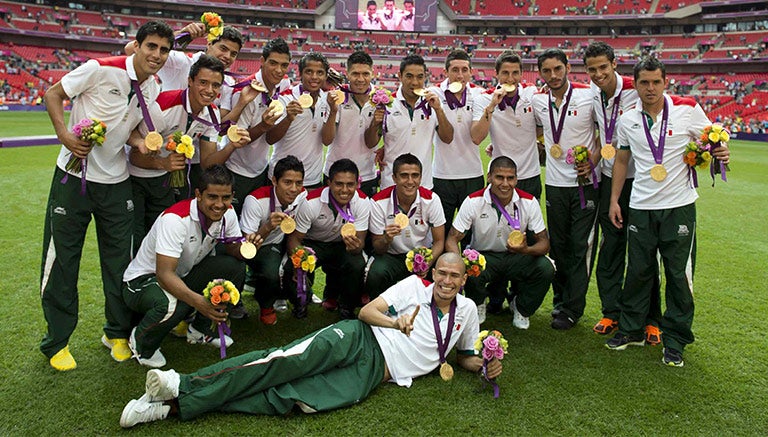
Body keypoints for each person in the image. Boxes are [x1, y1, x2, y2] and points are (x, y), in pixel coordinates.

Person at [119, 253, 502, 428]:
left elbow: (465, 355)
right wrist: (395, 322)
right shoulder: (412, 286)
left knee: (289, 400)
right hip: (360, 338)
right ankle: (181, 383)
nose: (447, 282)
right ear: (433, 273)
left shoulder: (467, 311)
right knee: (281, 362)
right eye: (442, 274)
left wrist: (484, 364)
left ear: (464, 279)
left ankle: (169, 408)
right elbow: (367, 312)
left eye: (455, 276)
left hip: (376, 374)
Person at [40, 21, 174, 371]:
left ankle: (116, 333)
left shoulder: (152, 87)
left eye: (163, 50)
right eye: (152, 47)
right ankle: (57, 341)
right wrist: (65, 136)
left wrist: (139, 142)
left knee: (120, 263)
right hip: (73, 176)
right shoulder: (101, 68)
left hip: (116, 181)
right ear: (138, 45)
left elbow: (126, 129)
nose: (157, 55)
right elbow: (53, 94)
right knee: (63, 259)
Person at [605, 57, 730, 367]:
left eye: (656, 82)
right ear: (635, 84)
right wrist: (614, 200)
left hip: (679, 206)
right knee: (638, 271)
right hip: (642, 205)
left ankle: (675, 339)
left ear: (665, 82)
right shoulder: (628, 120)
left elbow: (713, 140)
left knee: (678, 274)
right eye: (644, 82)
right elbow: (622, 161)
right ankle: (632, 329)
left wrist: (721, 152)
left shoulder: (687, 109)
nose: (650, 88)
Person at [121, 165, 260, 368]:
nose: (219, 204)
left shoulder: (228, 213)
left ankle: (201, 330)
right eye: (212, 197)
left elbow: (232, 250)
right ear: (198, 194)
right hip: (143, 281)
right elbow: (164, 274)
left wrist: (249, 246)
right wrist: (199, 302)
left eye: (226, 198)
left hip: (182, 273)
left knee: (235, 268)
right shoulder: (175, 220)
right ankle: (141, 342)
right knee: (172, 304)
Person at [128, 55, 249, 252]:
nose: (209, 90)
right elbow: (135, 155)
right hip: (137, 180)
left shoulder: (212, 113)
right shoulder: (163, 106)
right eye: (203, 82)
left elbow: (207, 164)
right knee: (135, 240)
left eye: (215, 85)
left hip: (164, 183)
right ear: (190, 81)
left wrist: (231, 146)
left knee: (159, 241)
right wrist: (163, 164)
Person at [584, 42, 662, 344]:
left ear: (614, 64)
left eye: (603, 67)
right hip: (608, 180)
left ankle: (651, 319)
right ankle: (611, 311)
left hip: (641, 182)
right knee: (611, 248)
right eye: (592, 69)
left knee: (644, 252)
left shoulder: (636, 88)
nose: (599, 73)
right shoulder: (591, 92)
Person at [531, 48, 600, 331]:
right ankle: (560, 303)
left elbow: (605, 133)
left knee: (579, 246)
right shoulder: (537, 101)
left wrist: (593, 161)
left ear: (568, 67)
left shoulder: (588, 96)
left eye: (558, 69)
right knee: (558, 246)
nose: (553, 75)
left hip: (585, 185)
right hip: (555, 185)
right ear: (540, 73)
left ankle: (573, 307)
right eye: (547, 71)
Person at [446, 157, 554, 327]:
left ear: (516, 179)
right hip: (484, 257)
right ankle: (478, 303)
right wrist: (458, 262)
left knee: (545, 268)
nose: (505, 183)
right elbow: (453, 238)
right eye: (499, 177)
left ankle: (521, 308)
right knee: (469, 263)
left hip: (517, 257)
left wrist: (525, 249)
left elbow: (544, 243)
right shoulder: (473, 201)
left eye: (510, 178)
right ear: (489, 177)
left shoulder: (528, 202)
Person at [285, 159, 370, 320]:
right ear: (329, 183)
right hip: (313, 244)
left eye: (350, 184)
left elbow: (360, 243)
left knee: (357, 263)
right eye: (339, 184)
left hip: (342, 245)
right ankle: (300, 302)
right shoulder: (311, 202)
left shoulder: (363, 202)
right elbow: (294, 239)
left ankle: (347, 306)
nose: (344, 190)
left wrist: (356, 247)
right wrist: (299, 258)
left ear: (357, 184)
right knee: (291, 267)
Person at [222, 38, 292, 215]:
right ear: (262, 61)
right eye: (273, 63)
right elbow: (238, 139)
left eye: (284, 65)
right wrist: (263, 126)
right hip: (236, 170)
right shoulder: (246, 92)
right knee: (231, 221)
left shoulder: (282, 84)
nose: (279, 70)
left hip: (260, 169)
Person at [366, 153, 446, 299]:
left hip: (422, 254)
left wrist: (427, 262)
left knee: (445, 271)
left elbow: (439, 241)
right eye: (404, 176)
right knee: (376, 273)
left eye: (415, 175)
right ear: (394, 178)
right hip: (392, 256)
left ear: (421, 178)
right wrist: (386, 238)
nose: (410, 181)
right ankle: (379, 311)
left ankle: (434, 311)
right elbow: (378, 247)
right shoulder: (378, 202)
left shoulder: (432, 200)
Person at [239, 156, 307, 325]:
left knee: (306, 259)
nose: (294, 189)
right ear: (274, 181)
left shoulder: (302, 195)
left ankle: (291, 296)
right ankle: (266, 305)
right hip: (260, 246)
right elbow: (247, 248)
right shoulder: (255, 201)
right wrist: (268, 226)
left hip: (283, 241)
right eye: (288, 182)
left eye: (298, 183)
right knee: (271, 272)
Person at [374, 54, 453, 190]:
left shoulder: (432, 103)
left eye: (420, 77)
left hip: (423, 184)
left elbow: (448, 138)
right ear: (400, 76)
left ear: (425, 77)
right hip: (391, 183)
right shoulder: (387, 103)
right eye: (409, 76)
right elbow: (371, 142)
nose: (415, 82)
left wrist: (439, 110)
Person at [471, 50, 542, 200]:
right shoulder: (484, 99)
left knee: (530, 222)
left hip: (530, 175)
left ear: (522, 74)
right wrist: (492, 106)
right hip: (500, 176)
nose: (510, 78)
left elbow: (539, 126)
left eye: (515, 73)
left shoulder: (532, 93)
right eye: (505, 73)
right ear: (496, 73)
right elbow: (476, 137)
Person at [429, 49, 484, 239]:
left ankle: (471, 268)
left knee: (471, 235)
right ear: (446, 72)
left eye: (464, 69)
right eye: (454, 70)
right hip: (442, 175)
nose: (460, 75)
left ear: (471, 72)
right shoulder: (434, 93)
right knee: (441, 234)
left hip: (473, 174)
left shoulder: (479, 94)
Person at [267, 52, 332, 190]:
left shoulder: (327, 100)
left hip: (312, 179)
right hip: (282, 178)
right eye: (309, 72)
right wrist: (288, 118)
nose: (314, 77)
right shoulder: (284, 98)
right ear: (300, 74)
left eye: (320, 72)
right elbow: (270, 138)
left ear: (326, 76)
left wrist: (333, 111)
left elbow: (327, 141)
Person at [323, 50, 379, 197]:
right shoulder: (337, 97)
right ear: (347, 74)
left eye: (365, 74)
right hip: (336, 174)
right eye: (355, 74)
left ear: (372, 74)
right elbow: (326, 140)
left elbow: (381, 138)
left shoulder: (380, 99)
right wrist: (333, 111)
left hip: (367, 174)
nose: (360, 79)